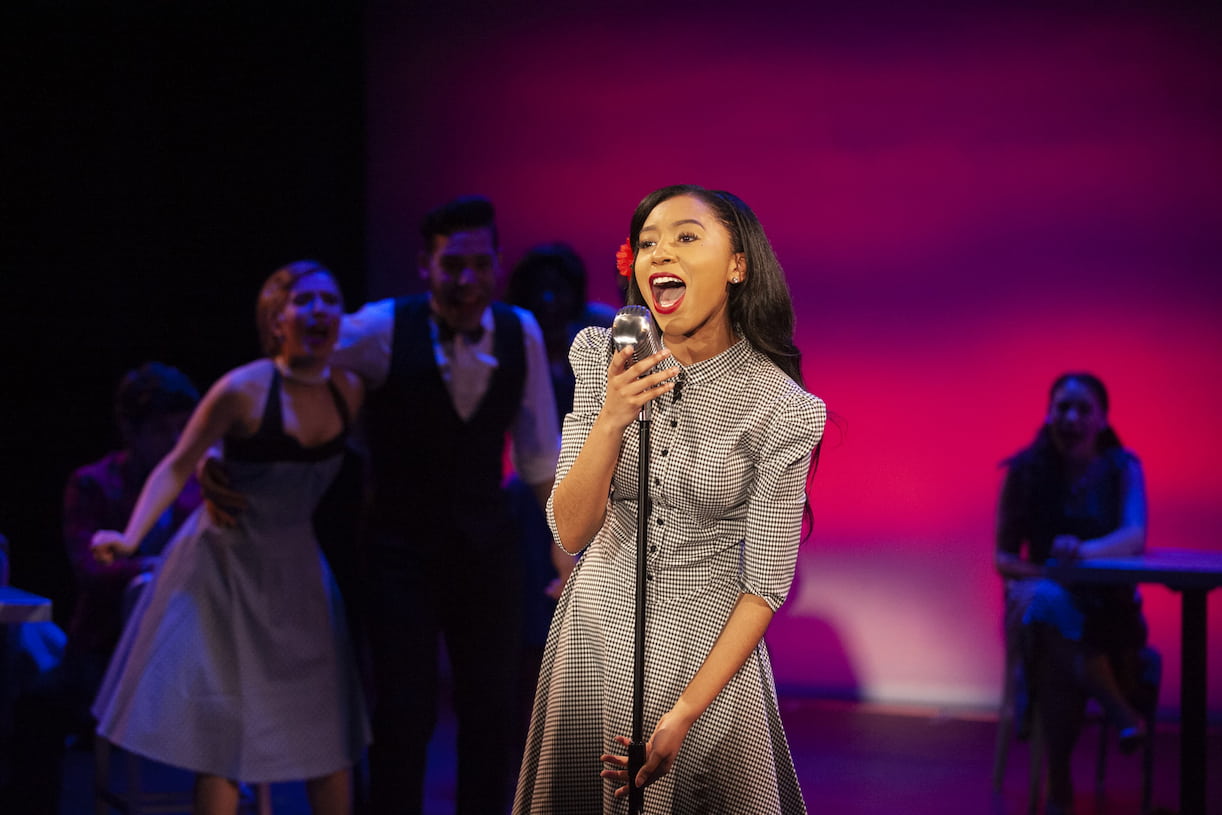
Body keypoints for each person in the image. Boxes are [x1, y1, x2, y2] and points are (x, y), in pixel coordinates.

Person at [514, 184, 827, 814]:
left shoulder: (783, 408)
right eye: (650, 241)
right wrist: (612, 415)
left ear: (738, 265)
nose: (662, 253)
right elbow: (570, 532)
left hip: (706, 663)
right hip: (595, 639)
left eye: (687, 237)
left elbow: (765, 586)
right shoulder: (599, 354)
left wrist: (683, 714)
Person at [90, 261, 369, 815]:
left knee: (325, 731)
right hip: (226, 566)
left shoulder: (350, 391)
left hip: (297, 569)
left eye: (331, 301)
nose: (320, 312)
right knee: (225, 737)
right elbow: (176, 463)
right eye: (305, 300)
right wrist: (130, 536)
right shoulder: (241, 390)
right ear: (276, 318)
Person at [325, 195, 560, 815]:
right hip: (399, 548)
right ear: (426, 267)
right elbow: (295, 368)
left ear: (497, 264)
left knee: (491, 706)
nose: (467, 280)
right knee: (404, 706)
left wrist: (567, 557)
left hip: (487, 548)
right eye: (452, 264)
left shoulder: (520, 331)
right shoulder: (378, 327)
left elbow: (539, 456)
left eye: (480, 264)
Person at [995, 372, 1150, 815]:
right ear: (1048, 413)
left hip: (1107, 612)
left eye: (1083, 409)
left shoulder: (1123, 468)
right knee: (1046, 602)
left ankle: (1059, 783)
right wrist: (1049, 573)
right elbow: (1003, 557)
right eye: (1062, 407)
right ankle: (1120, 711)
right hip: (1038, 603)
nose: (1071, 417)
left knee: (1052, 653)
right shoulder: (1024, 471)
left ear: (1102, 419)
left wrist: (1081, 553)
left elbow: (1134, 535)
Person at [61, 362, 201, 731]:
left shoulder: (200, 485)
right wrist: (154, 567)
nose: (175, 442)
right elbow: (91, 570)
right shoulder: (94, 484)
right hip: (105, 647)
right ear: (129, 429)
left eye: (182, 429)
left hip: (184, 648)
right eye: (160, 430)